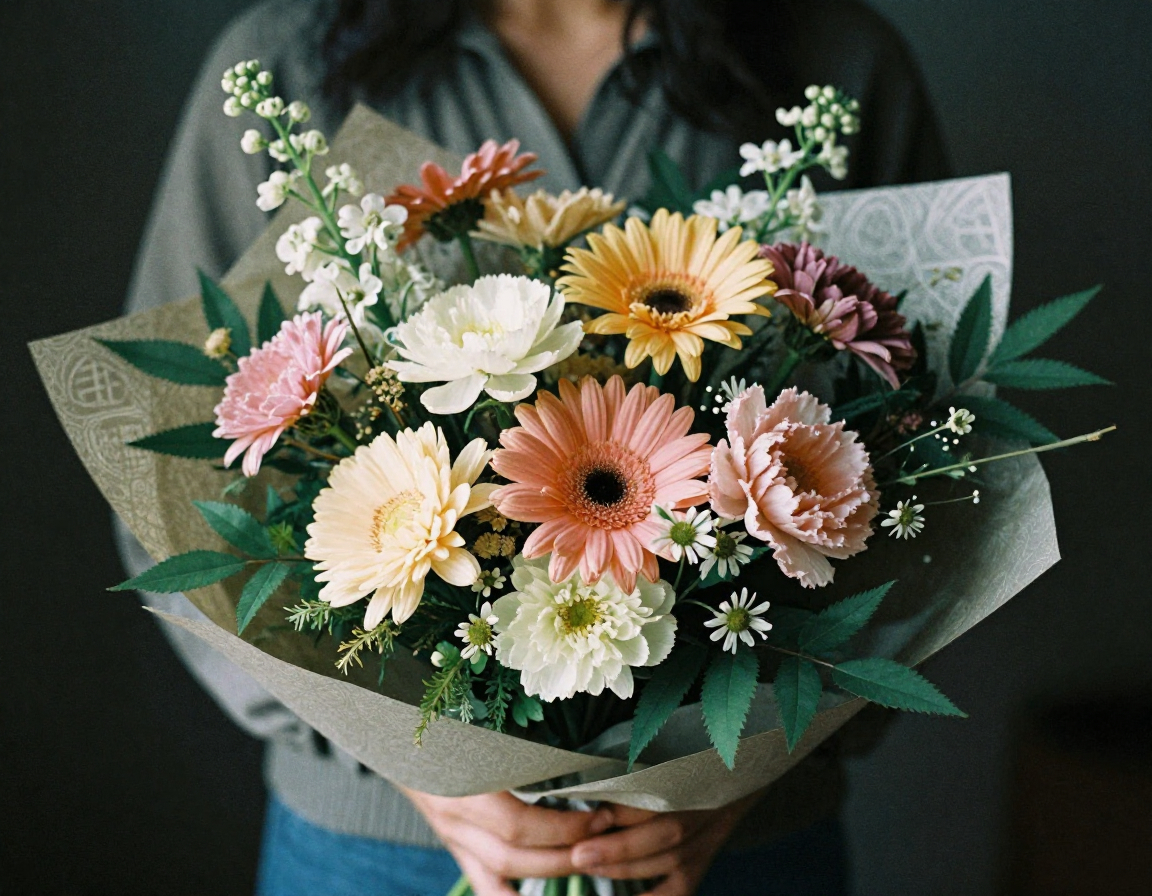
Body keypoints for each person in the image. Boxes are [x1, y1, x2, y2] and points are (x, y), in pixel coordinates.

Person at [118, 0, 948, 893]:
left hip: (736, 853)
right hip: (379, 851)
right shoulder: (284, 67)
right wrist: (417, 769)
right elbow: (176, 483)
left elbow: (923, 463)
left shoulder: (838, 62)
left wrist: (742, 770)